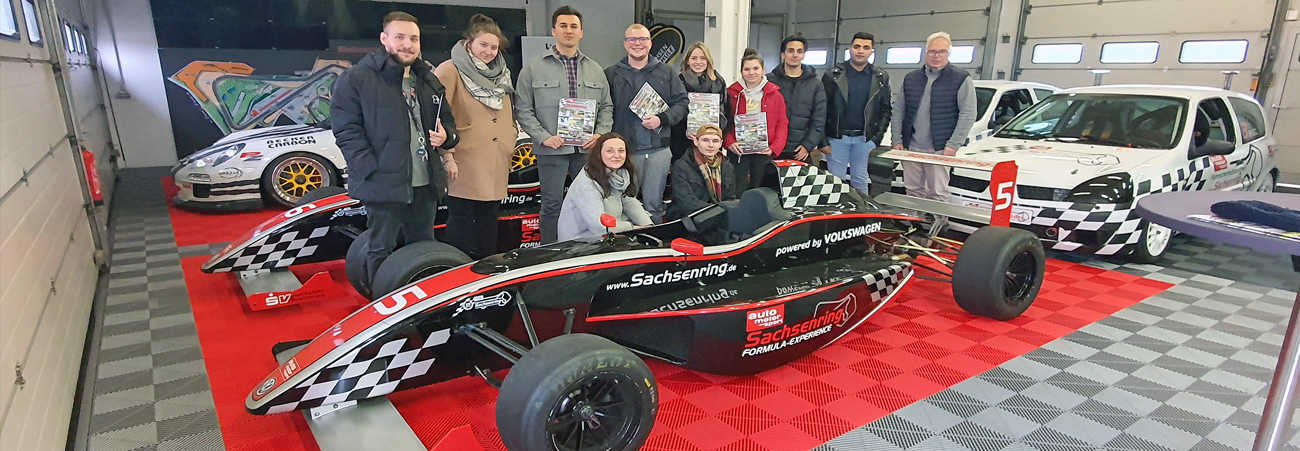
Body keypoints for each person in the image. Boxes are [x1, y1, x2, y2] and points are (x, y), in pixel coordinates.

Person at [331, 11, 459, 281]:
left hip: (425, 184)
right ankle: (379, 309)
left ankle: (416, 308)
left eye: (414, 38)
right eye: (399, 37)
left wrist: (446, 137)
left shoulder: (428, 80)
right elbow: (346, 131)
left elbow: (447, 121)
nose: (407, 44)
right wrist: (370, 168)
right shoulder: (357, 78)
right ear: (384, 39)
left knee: (422, 248)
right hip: (383, 184)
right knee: (380, 248)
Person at [515, 5, 614, 243]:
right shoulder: (532, 68)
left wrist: (600, 134)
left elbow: (607, 107)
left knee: (591, 201)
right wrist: (543, 137)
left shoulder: (595, 69)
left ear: (581, 32)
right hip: (552, 150)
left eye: (573, 26)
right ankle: (549, 252)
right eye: (563, 26)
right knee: (552, 205)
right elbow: (522, 108)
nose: (568, 31)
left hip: (588, 151)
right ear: (554, 31)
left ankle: (588, 248)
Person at [434, 14, 514, 259]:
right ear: (469, 42)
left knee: (489, 217)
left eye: (493, 47)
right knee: (461, 216)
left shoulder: (502, 73)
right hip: (464, 157)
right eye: (483, 45)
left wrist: (510, 137)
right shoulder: (450, 69)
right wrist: (447, 155)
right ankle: (459, 270)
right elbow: (438, 115)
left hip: (496, 157)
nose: (488, 51)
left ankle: (487, 267)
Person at [605, 24, 689, 223]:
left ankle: (654, 245)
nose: (637, 44)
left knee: (654, 205)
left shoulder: (667, 73)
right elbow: (604, 109)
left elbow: (682, 103)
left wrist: (662, 118)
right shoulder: (610, 74)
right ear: (625, 44)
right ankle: (628, 247)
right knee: (623, 204)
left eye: (642, 39)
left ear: (650, 43)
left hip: (659, 150)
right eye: (632, 39)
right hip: (625, 152)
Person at [890, 31, 976, 202]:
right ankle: (914, 224)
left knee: (938, 193)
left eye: (942, 51)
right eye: (932, 51)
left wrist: (953, 144)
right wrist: (897, 139)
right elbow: (899, 109)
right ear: (926, 52)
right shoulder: (911, 78)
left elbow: (968, 114)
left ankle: (937, 226)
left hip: (940, 149)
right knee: (913, 190)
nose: (937, 56)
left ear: (948, 53)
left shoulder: (960, 78)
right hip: (911, 147)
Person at [822, 32, 891, 194]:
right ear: (850, 49)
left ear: (872, 51)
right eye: (857, 47)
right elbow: (822, 109)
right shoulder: (833, 76)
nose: (861, 51)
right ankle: (836, 219)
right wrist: (823, 140)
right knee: (835, 183)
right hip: (837, 139)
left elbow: (885, 109)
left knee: (860, 181)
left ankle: (860, 218)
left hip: (864, 139)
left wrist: (876, 139)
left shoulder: (880, 77)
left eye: (866, 47)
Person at [557, 133, 653, 241]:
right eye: (610, 151)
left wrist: (648, 226)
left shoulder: (620, 174)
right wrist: (633, 229)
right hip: (581, 243)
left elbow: (629, 201)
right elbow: (599, 227)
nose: (617, 155)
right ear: (599, 154)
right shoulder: (586, 183)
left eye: (621, 151)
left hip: (610, 235)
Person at [724, 49, 788, 190]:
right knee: (736, 189)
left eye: (755, 68)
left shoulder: (775, 95)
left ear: (763, 69)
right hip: (738, 150)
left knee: (761, 189)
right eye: (747, 69)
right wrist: (729, 142)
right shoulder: (731, 93)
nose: (751, 72)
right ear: (741, 72)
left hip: (764, 151)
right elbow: (724, 121)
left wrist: (775, 147)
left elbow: (782, 123)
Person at [767, 35, 826, 164]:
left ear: (803, 55)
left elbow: (819, 118)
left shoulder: (815, 84)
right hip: (771, 149)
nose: (795, 55)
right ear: (783, 54)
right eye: (790, 51)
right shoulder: (768, 81)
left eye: (799, 51)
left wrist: (808, 145)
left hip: (800, 151)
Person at [670, 42, 730, 161]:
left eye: (703, 58)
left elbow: (726, 112)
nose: (698, 62)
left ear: (708, 60)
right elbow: (674, 111)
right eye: (694, 58)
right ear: (687, 61)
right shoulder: (678, 81)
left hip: (711, 142)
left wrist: (716, 134)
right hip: (683, 141)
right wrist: (685, 131)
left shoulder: (718, 82)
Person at [667, 124, 737, 221]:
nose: (711, 145)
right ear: (696, 141)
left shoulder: (727, 166)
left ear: (721, 143)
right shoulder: (681, 166)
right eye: (705, 140)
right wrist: (718, 211)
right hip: (688, 217)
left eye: (715, 141)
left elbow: (730, 198)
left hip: (718, 215)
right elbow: (687, 203)